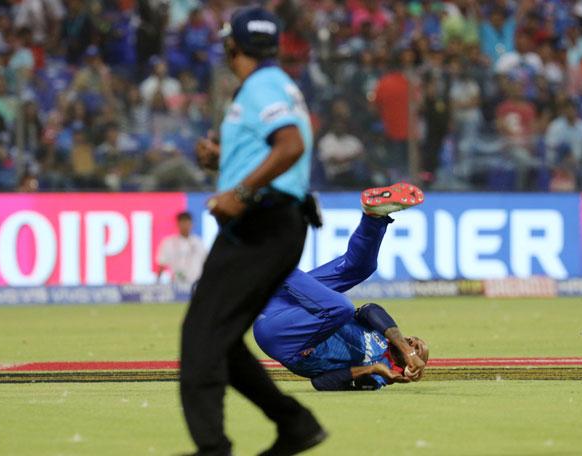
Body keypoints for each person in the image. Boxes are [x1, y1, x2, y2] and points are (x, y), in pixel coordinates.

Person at [180, 6, 319, 456]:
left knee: (201, 335)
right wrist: (222, 161)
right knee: (218, 337)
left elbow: (291, 146)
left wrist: (239, 190)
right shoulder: (271, 86)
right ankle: (294, 424)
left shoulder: (262, 86)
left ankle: (213, 448)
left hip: (263, 223)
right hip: (272, 222)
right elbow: (275, 151)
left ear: (231, 45)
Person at [254, 182, 428, 391]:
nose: (414, 342)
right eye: (415, 341)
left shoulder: (382, 372)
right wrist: (404, 348)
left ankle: (266, 253)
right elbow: (369, 310)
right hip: (286, 304)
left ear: (411, 368)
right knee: (361, 268)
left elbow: (321, 382)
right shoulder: (383, 333)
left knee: (341, 308)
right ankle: (374, 216)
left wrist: (375, 371)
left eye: (418, 348)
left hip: (284, 339)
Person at [155, 211, 206, 290]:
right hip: (177, 284)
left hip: (197, 283)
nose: (185, 226)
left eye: (187, 222)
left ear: (192, 224)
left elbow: (206, 263)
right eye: (183, 222)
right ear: (178, 224)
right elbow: (162, 264)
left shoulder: (199, 243)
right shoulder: (169, 243)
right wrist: (157, 284)